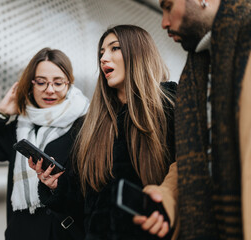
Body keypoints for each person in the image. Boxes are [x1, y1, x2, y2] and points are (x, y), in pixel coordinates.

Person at [29, 25, 177, 239]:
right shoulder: (89, 125)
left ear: (139, 52)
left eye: (114, 48)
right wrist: (56, 187)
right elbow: (81, 204)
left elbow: (191, 176)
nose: (103, 58)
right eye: (101, 53)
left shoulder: (171, 107)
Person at [135, 0, 251, 239]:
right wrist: (167, 196)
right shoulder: (198, 68)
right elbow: (200, 156)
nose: (164, 21)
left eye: (168, 6)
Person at [0, 47, 89, 240]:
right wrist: (1, 111)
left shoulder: (85, 125)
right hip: (21, 232)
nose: (50, 90)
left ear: (69, 84)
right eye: (41, 82)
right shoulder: (21, 127)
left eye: (58, 82)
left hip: (63, 233)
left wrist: (56, 186)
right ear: (31, 84)